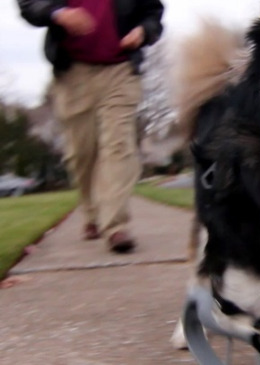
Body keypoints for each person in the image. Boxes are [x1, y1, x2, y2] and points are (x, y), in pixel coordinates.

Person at [17, 0, 164, 253]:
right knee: (81, 153)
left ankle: (115, 226)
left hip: (120, 69)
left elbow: (152, 12)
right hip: (74, 72)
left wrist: (143, 31)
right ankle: (91, 211)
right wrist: (58, 12)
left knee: (119, 145)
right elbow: (29, 4)